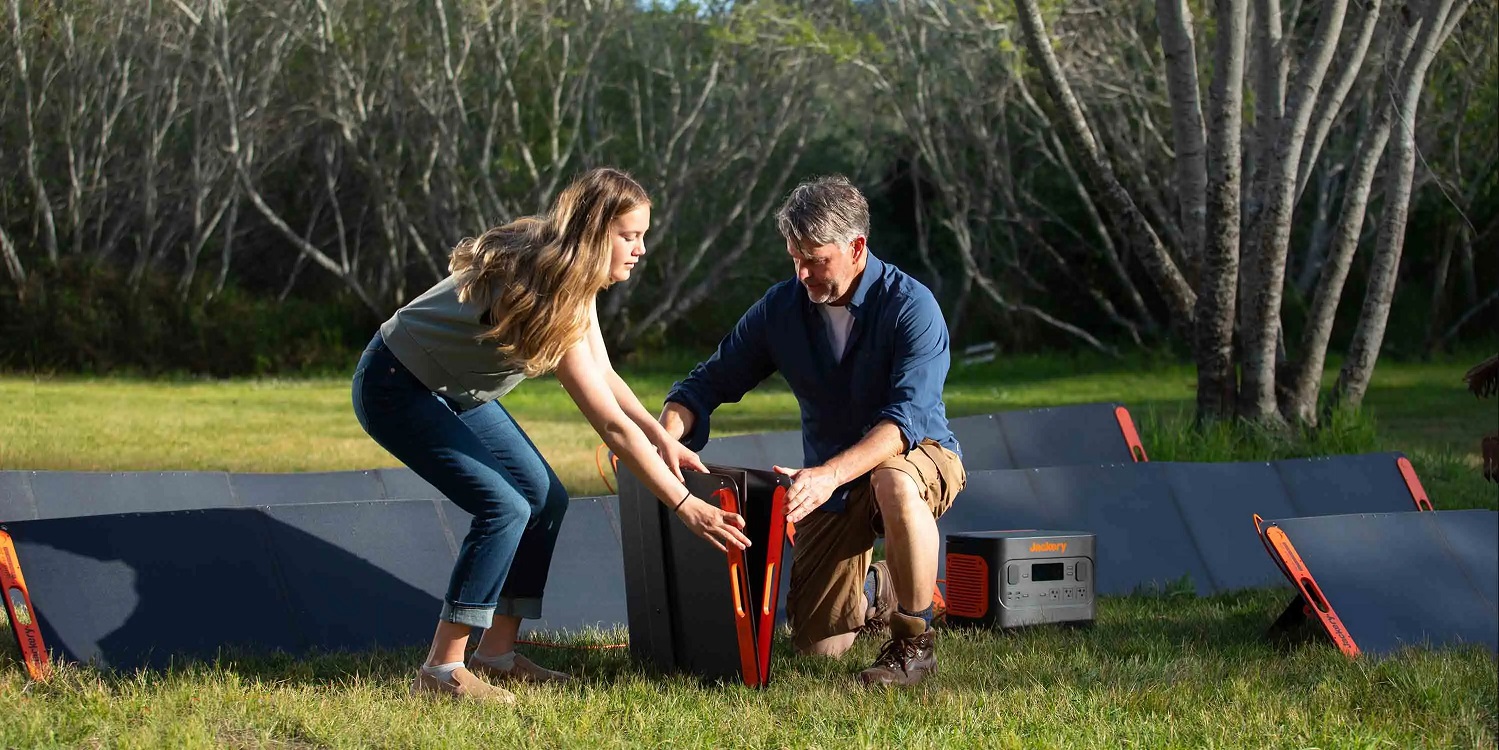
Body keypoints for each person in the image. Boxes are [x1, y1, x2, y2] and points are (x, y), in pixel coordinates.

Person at [352, 167, 751, 703]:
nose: (639, 249)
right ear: (593, 233)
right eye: (628, 236)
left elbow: (606, 376)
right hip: (397, 384)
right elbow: (609, 425)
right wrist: (684, 505)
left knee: (544, 499)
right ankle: (442, 669)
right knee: (504, 507)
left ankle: (495, 654)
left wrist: (662, 436)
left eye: (642, 236)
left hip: (456, 389)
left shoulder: (576, 280)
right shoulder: (550, 290)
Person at [658, 175, 965, 687]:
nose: (802, 273)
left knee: (892, 480)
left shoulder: (913, 307)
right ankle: (883, 587)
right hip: (834, 486)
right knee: (817, 646)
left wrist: (825, 475)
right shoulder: (780, 309)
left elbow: (906, 419)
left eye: (815, 259)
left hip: (919, 454)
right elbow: (705, 383)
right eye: (794, 258)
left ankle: (915, 643)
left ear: (856, 247)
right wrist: (668, 436)